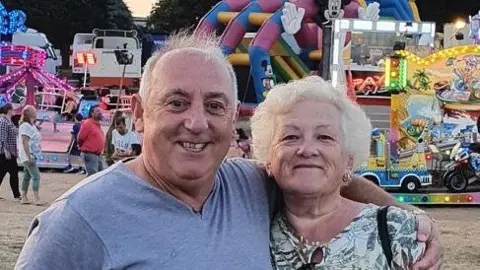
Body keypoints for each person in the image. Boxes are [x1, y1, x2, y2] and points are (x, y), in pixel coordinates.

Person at [15, 32, 442, 269]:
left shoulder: (247, 184)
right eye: (177, 102)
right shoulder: (79, 221)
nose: (197, 123)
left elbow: (322, 178)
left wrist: (410, 219)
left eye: (215, 106)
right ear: (140, 113)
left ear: (232, 116)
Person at [251, 76, 425, 269]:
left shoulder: (397, 230)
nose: (307, 150)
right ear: (268, 159)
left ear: (349, 160)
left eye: (324, 137)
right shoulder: (252, 237)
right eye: (290, 137)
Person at [17, 105, 43, 205]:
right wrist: (29, 157)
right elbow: (25, 142)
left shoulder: (31, 125)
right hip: (28, 155)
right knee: (36, 176)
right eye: (34, 111)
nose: (36, 112)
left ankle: (24, 197)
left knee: (27, 176)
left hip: (33, 154)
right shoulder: (25, 126)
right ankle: (36, 198)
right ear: (29, 114)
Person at [0, 103, 21, 201]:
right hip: (6, 152)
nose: (14, 111)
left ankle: (17, 194)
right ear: (9, 110)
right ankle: (17, 195)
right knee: (13, 173)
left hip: (10, 151)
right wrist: (5, 150)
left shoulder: (9, 121)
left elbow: (15, 131)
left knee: (2, 173)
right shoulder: (3, 121)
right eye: (13, 109)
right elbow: (2, 137)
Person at [77, 105, 105, 176]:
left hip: (98, 155)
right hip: (90, 154)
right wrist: (81, 146)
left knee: (100, 176)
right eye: (98, 111)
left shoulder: (97, 124)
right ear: (92, 113)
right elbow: (80, 137)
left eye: (100, 111)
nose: (100, 113)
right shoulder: (88, 123)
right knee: (92, 176)